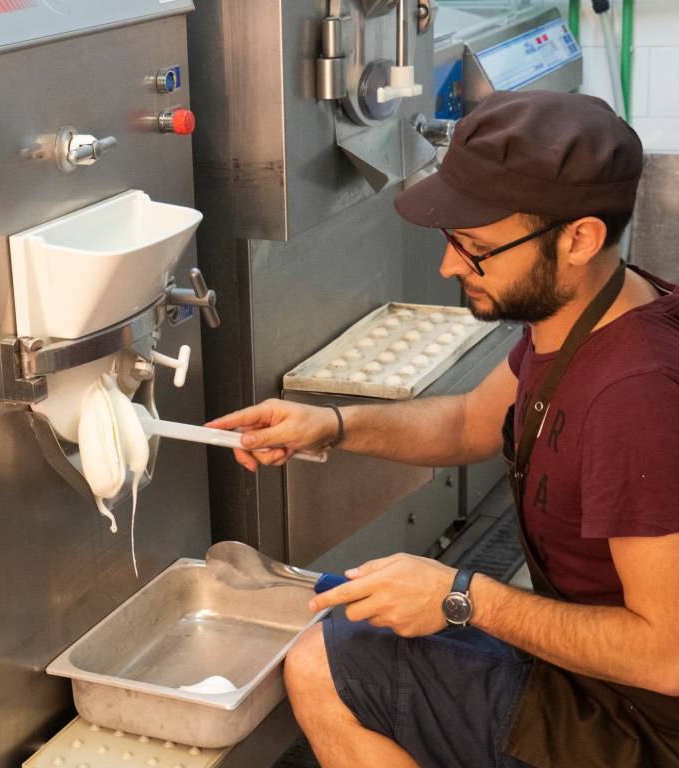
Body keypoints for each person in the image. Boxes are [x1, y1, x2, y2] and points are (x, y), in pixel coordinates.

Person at [206, 90, 679, 768]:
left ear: (580, 238)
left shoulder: (636, 398)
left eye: (477, 247)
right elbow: (471, 421)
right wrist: (331, 426)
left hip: (642, 726)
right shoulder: (589, 312)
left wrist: (461, 599)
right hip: (611, 685)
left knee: (320, 666)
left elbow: (667, 656)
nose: (450, 266)